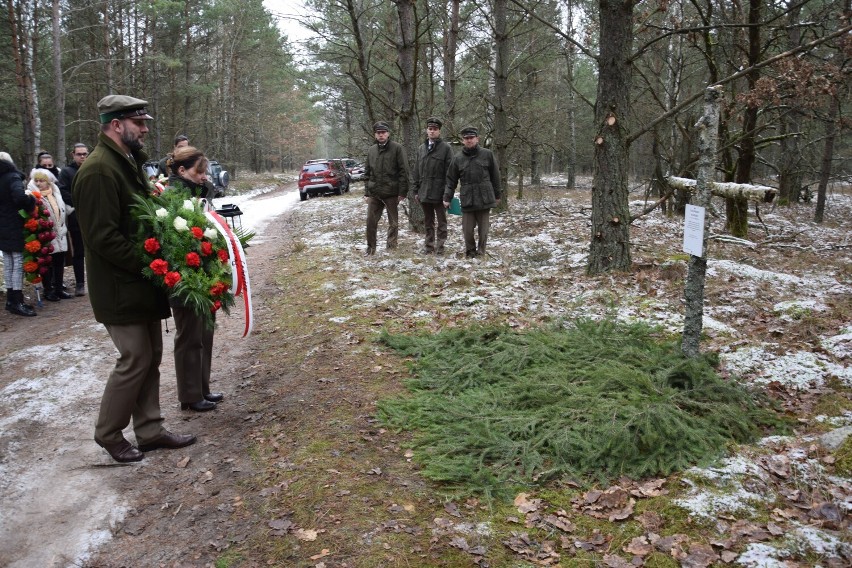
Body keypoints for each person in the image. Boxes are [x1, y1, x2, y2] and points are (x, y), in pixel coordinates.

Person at [72, 94, 196, 463]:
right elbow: (102, 238)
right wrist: (152, 264)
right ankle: (108, 433)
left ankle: (150, 430)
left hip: (139, 282)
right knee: (135, 357)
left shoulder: (126, 162)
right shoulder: (97, 170)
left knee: (151, 355)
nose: (144, 130)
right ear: (115, 125)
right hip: (119, 286)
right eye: (138, 123)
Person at [167, 146, 223, 412]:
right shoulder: (172, 197)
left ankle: (202, 387)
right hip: (185, 277)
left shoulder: (194, 191)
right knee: (189, 336)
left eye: (205, 172)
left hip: (203, 272)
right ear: (181, 170)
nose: (204, 177)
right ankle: (189, 395)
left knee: (205, 333)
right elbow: (175, 240)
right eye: (199, 172)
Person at [444, 126, 501, 258]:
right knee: (467, 230)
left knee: (484, 230)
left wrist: (497, 195)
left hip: (484, 197)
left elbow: (495, 176)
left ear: (477, 139)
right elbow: (451, 180)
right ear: (462, 140)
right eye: (466, 138)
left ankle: (481, 252)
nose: (469, 140)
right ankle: (470, 252)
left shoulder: (487, 154)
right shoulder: (457, 158)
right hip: (467, 198)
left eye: (471, 138)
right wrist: (447, 197)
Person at [362, 121, 410, 255]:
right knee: (370, 222)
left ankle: (391, 247)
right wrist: (366, 192)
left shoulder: (397, 148)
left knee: (393, 223)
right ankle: (371, 248)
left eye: (383, 132)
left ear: (388, 134)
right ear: (375, 135)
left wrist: (402, 192)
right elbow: (367, 173)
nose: (381, 135)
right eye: (378, 133)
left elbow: (404, 171)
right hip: (374, 193)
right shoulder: (371, 150)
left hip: (391, 193)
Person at [0, 152, 37, 317]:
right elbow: (20, 198)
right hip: (14, 224)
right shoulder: (13, 177)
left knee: (8, 263)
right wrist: (31, 200)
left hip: (2, 225)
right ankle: (17, 300)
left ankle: (10, 300)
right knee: (17, 261)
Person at [28, 169, 72, 302]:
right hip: (45, 234)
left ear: (48, 182)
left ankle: (59, 288)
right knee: (46, 263)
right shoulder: (33, 196)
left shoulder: (56, 192)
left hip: (59, 232)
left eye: (42, 181)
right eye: (37, 181)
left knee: (59, 262)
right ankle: (48, 290)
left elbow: (62, 209)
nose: (39, 183)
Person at [412, 116, 453, 255]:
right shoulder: (421, 148)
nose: (432, 132)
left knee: (441, 223)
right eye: (430, 129)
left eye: (435, 129)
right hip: (424, 192)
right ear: (426, 131)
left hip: (440, 192)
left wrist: (447, 194)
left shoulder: (446, 149)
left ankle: (440, 248)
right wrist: (416, 190)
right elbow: (417, 171)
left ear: (439, 131)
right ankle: (429, 247)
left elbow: (450, 173)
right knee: (428, 222)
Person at [57, 143, 89, 296]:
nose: (82, 156)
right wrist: (79, 203)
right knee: (79, 251)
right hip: (76, 216)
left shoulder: (91, 168)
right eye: (79, 154)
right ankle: (80, 283)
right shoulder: (66, 172)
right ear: (73, 154)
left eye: (84, 154)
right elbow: (63, 191)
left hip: (94, 215)